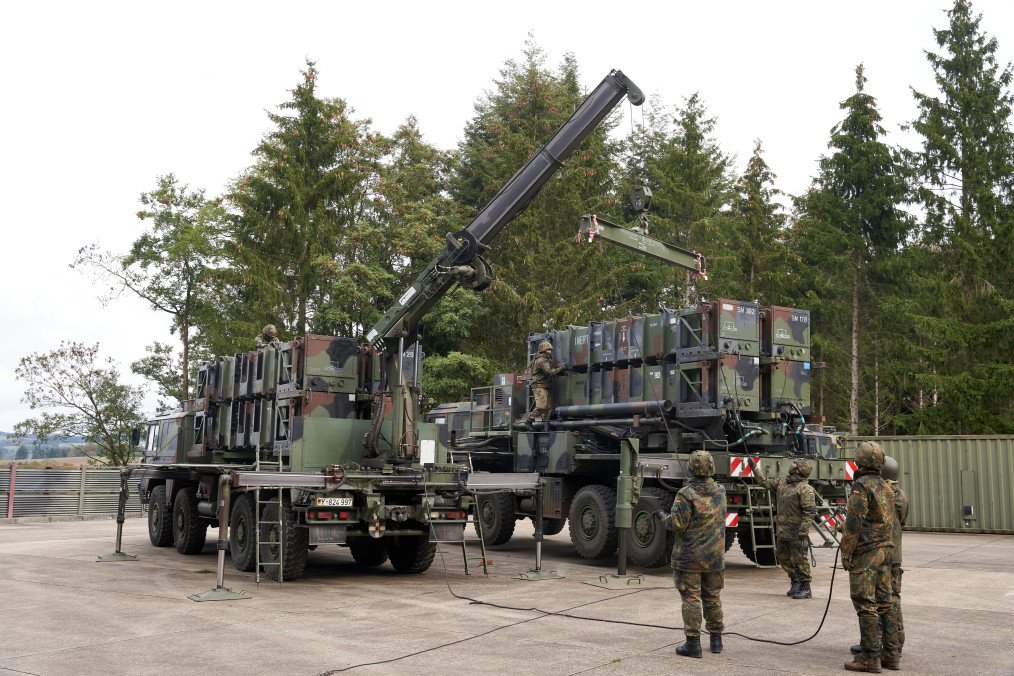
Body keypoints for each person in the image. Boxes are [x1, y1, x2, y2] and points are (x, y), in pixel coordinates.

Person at [656, 450, 727, 658]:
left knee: (691, 598)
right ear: (712, 467)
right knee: (713, 596)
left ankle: (693, 644)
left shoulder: (686, 494)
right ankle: (716, 640)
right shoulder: (721, 491)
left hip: (689, 558)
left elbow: (677, 525)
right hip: (715, 557)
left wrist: (662, 517)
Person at [841, 441, 900, 673]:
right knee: (886, 603)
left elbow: (853, 524)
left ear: (860, 461)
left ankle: (869, 657)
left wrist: (846, 552)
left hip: (867, 553)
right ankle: (891, 655)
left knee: (865, 604)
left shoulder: (861, 487)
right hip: (886, 551)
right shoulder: (886, 487)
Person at [851, 455, 909, 658]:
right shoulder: (899, 494)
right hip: (894, 554)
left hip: (878, 553)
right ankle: (892, 645)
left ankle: (881, 644)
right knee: (890, 600)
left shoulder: (879, 492)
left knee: (878, 600)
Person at [748, 457, 818, 599]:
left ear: (800, 470)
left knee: (800, 559)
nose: (791, 466)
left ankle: (806, 587)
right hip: (783, 530)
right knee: (782, 556)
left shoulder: (806, 489)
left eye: (795, 465)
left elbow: (809, 512)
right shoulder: (782, 483)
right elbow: (763, 482)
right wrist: (754, 468)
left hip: (797, 532)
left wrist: (803, 530)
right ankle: (795, 581)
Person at [524, 341, 564, 424]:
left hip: (544, 385)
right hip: (539, 386)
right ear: (543, 350)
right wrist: (561, 368)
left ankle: (545, 423)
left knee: (548, 407)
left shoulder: (544, 358)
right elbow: (550, 372)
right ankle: (529, 420)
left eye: (550, 350)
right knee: (541, 407)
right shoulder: (542, 360)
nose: (550, 351)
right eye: (548, 350)